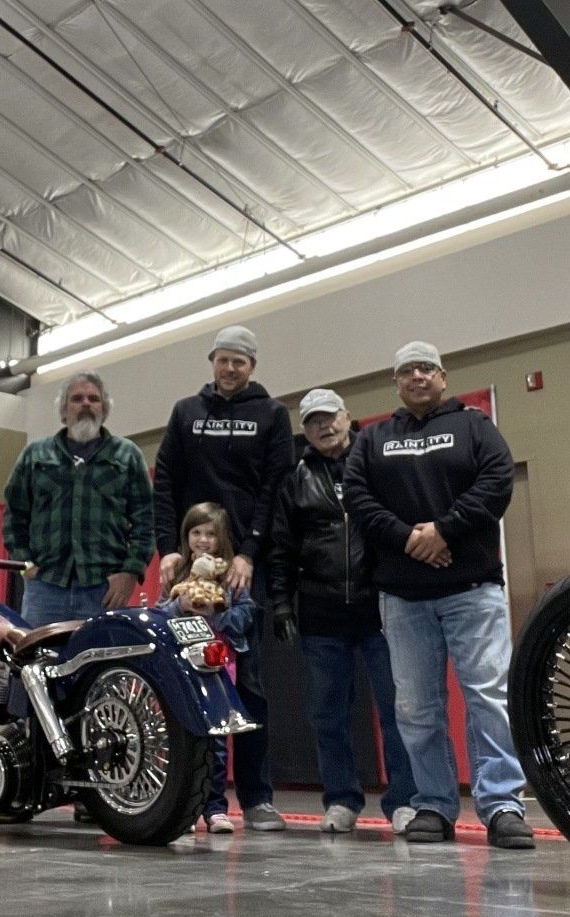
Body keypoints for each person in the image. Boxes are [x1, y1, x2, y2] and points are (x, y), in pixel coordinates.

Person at [343, 342, 534, 850]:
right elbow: (357, 498)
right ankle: (433, 803)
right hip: (403, 597)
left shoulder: (475, 427)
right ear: (397, 383)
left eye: (426, 368)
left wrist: (443, 531)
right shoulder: (373, 438)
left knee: (489, 698)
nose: (418, 376)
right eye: (407, 370)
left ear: (443, 377)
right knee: (416, 708)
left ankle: (503, 806)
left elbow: (497, 482)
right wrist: (410, 539)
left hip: (473, 590)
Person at [153, 325, 295, 831]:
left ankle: (256, 798)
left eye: (240, 361)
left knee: (248, 683)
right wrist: (169, 548)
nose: (230, 368)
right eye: (223, 360)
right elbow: (165, 480)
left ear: (252, 367)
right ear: (211, 362)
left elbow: (276, 487)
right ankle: (198, 799)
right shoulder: (186, 413)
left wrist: (249, 553)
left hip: (242, 569)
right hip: (190, 566)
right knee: (186, 676)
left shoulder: (272, 415)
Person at [269, 387, 418, 834]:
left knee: (397, 711)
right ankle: (341, 800)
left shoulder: (375, 463)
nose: (324, 426)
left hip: (381, 610)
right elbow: (281, 548)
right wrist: (280, 603)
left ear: (348, 417)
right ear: (305, 430)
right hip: (321, 614)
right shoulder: (294, 477)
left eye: (330, 417)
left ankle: (404, 803)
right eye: (314, 421)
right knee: (327, 713)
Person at [2, 370, 153, 626]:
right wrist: (25, 563)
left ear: (104, 409)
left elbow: (146, 522)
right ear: (63, 411)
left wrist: (130, 572)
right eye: (77, 399)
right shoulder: (35, 455)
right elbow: (13, 514)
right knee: (36, 663)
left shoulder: (127, 456)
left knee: (100, 663)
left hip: (104, 591)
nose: (85, 404)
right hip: (45, 589)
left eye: (93, 399)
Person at [158, 503, 257, 835]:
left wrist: (216, 613)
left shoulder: (230, 575)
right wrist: (179, 606)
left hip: (219, 664)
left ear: (222, 538)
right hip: (181, 665)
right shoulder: (177, 573)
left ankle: (215, 808)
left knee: (216, 738)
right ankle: (182, 809)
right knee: (182, 738)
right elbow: (160, 615)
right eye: (196, 532)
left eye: (210, 534)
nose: (202, 540)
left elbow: (247, 614)